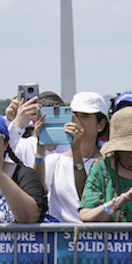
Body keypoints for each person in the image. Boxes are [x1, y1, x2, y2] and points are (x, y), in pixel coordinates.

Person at [32, 92, 109, 221]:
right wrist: (40, 146)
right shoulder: (55, 161)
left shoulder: (108, 163)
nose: (77, 120)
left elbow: (88, 199)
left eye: (85, 116)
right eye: (73, 114)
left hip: (95, 237)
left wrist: (76, 151)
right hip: (60, 238)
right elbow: (36, 192)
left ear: (101, 124)